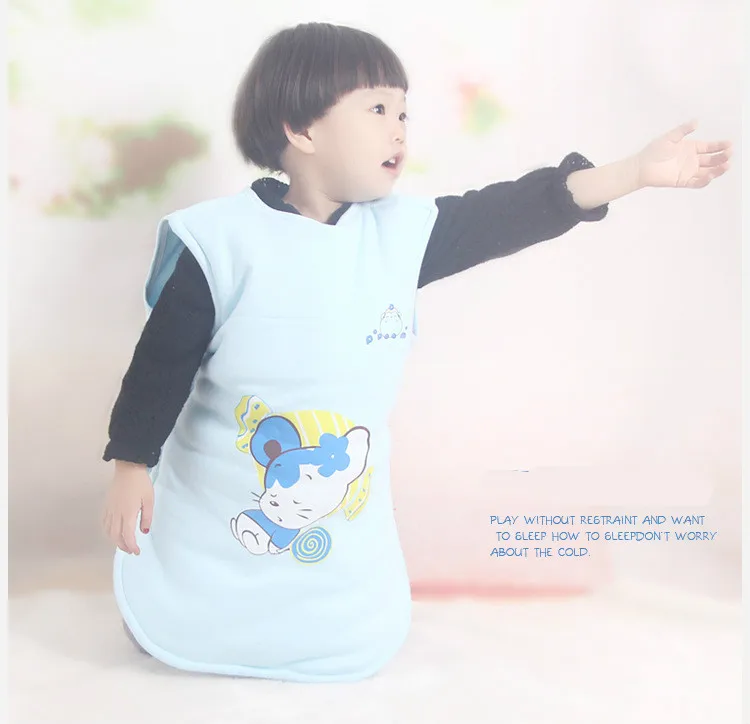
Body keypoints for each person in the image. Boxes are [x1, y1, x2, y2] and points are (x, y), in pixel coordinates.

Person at [101, 22, 731, 682]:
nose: (399, 130)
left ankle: (311, 622)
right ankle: (181, 620)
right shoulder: (221, 243)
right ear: (302, 129)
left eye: (403, 113)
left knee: (334, 595)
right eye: (377, 110)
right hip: (220, 501)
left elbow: (515, 209)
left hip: (337, 506)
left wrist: (632, 173)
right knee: (198, 593)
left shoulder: (400, 236)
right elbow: (161, 363)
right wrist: (131, 462)